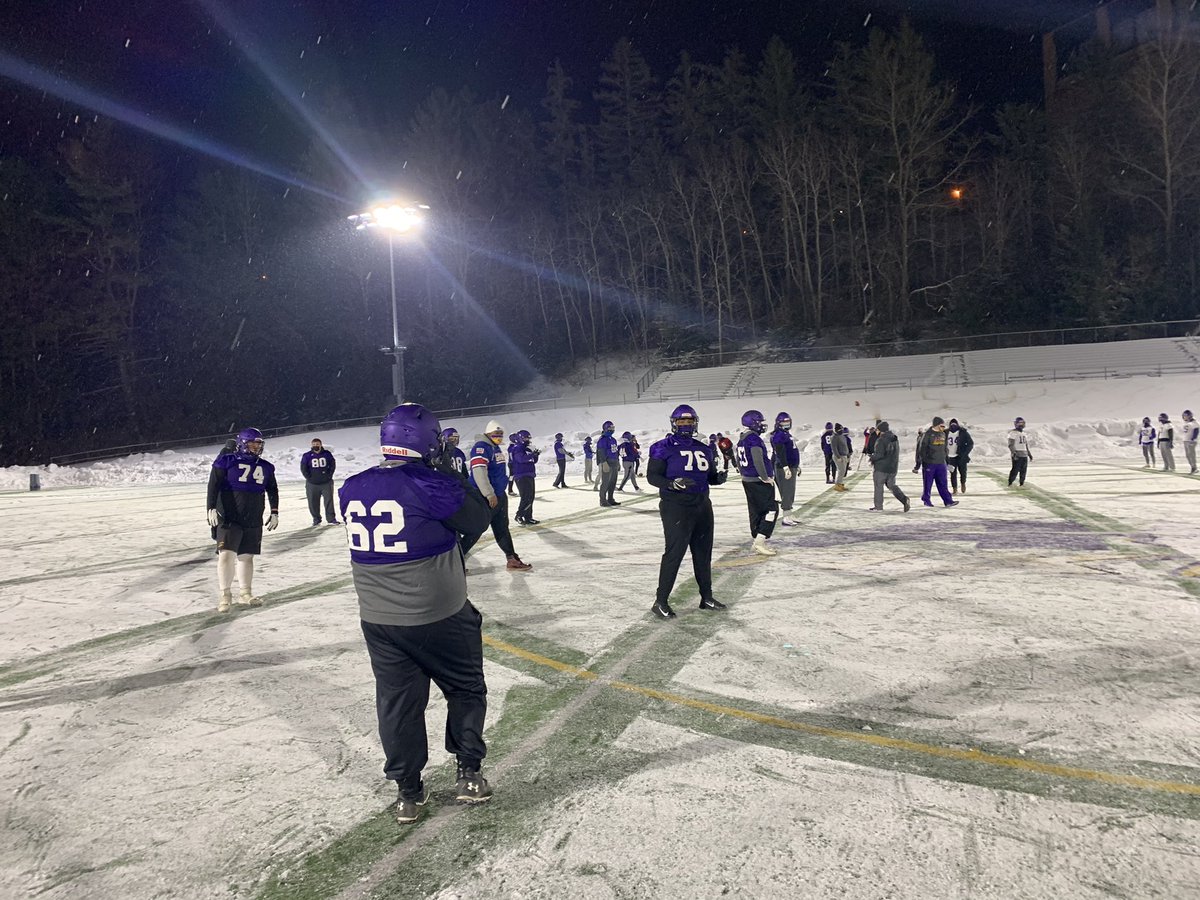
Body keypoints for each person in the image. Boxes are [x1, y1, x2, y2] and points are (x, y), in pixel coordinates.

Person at [339, 403, 494, 824]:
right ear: (427, 441)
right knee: (465, 688)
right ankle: (468, 772)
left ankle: (408, 791)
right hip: (437, 613)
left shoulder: (351, 485)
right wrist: (451, 473)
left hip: (378, 618)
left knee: (397, 704)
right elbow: (478, 515)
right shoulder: (430, 483)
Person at [646, 404, 729, 618]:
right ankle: (661, 601)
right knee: (675, 553)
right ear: (674, 423)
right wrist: (673, 484)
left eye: (689, 421)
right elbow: (652, 477)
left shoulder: (703, 448)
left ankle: (707, 597)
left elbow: (709, 476)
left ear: (695, 423)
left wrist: (717, 479)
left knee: (703, 553)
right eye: (681, 421)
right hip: (676, 506)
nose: (685, 425)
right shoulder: (661, 447)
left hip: (702, 504)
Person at [205, 427, 280, 612]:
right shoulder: (226, 461)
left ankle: (245, 593)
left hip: (253, 516)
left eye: (259, 443)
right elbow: (213, 485)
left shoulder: (266, 466)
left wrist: (275, 511)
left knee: (246, 557)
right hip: (229, 516)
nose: (256, 447)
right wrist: (211, 507)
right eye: (253, 443)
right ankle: (225, 594)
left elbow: (272, 488)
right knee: (226, 555)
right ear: (242, 443)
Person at [462, 420, 533, 571]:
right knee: (476, 529)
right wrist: (489, 494)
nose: (498, 437)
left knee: (502, 528)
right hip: (484, 497)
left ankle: (511, 558)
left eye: (500, 434)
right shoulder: (481, 447)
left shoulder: (494, 448)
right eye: (495, 434)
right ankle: (455, 562)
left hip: (498, 494)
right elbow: (479, 471)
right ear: (488, 434)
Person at [736, 410, 780, 556]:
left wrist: (744, 473)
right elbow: (757, 459)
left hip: (748, 480)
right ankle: (760, 541)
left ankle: (757, 538)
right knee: (771, 509)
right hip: (757, 480)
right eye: (759, 422)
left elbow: (738, 459)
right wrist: (764, 476)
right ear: (753, 423)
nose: (762, 425)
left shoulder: (742, 439)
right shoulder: (753, 439)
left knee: (755, 511)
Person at [867, 421, 910, 512]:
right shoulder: (894, 438)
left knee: (879, 486)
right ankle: (904, 499)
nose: (876, 432)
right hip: (892, 467)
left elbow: (879, 454)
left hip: (881, 468)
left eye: (877, 430)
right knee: (891, 485)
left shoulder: (881, 440)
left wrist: (872, 458)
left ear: (880, 430)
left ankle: (878, 506)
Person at [916, 417, 957, 507]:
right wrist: (924, 461)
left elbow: (945, 449)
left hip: (941, 463)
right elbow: (922, 449)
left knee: (943, 483)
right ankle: (926, 499)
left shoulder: (942, 434)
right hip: (930, 464)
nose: (943, 428)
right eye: (942, 426)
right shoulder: (927, 435)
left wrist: (947, 461)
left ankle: (948, 501)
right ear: (937, 425)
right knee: (928, 483)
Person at [300, 437, 339, 526]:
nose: (315, 446)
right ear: (311, 445)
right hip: (312, 483)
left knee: (329, 501)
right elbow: (303, 468)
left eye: (317, 444)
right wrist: (309, 478)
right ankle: (316, 519)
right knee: (313, 502)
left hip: (326, 482)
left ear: (321, 445)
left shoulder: (327, 454)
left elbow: (332, 464)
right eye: (314, 445)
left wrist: (329, 476)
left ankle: (331, 519)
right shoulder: (307, 455)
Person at [770, 412, 799, 526]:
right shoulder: (779, 435)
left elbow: (791, 451)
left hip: (790, 466)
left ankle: (789, 513)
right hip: (784, 467)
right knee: (786, 491)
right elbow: (780, 453)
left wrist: (796, 465)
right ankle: (786, 516)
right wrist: (785, 466)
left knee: (790, 491)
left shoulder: (786, 433)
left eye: (788, 422)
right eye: (784, 422)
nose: (787, 424)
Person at [511, 430, 541, 525]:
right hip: (521, 475)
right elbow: (521, 459)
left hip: (529, 474)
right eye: (525, 438)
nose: (527, 439)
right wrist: (532, 455)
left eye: (528, 437)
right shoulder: (517, 448)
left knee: (530, 497)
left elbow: (532, 461)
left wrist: (536, 455)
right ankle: (519, 515)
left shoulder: (527, 448)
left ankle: (528, 517)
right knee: (526, 497)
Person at [946, 418, 974, 494]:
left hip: (961, 456)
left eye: (955, 424)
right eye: (952, 424)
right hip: (950, 457)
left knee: (963, 472)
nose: (953, 426)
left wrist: (965, 453)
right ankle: (954, 488)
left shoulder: (963, 432)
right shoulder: (945, 432)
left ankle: (963, 483)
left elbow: (970, 443)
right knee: (952, 474)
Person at [596, 421, 620, 507]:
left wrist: (618, 462)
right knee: (605, 482)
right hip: (607, 462)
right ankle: (602, 500)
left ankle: (610, 498)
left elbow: (616, 452)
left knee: (613, 482)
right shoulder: (602, 440)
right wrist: (604, 462)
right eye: (610, 428)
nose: (612, 430)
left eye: (613, 428)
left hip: (614, 461)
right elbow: (601, 452)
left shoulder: (613, 439)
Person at [1008, 416, 1032, 487]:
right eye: (1020, 423)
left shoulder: (1024, 434)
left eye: (1022, 423)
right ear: (1016, 424)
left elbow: (1026, 445)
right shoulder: (1013, 433)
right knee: (1015, 470)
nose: (1021, 425)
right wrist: (1014, 453)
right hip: (1017, 454)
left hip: (1024, 454)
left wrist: (1029, 454)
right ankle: (1010, 482)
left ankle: (1022, 483)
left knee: (1023, 471)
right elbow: (1010, 444)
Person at [830, 423, 852, 491]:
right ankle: (837, 484)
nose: (841, 431)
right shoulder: (834, 437)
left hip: (844, 455)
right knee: (841, 470)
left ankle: (840, 483)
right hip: (839, 456)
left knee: (843, 471)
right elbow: (834, 448)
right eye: (840, 429)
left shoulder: (842, 436)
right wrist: (838, 456)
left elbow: (845, 446)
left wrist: (847, 454)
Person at [1182, 409, 1198, 474]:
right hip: (1186, 440)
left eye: (1185, 415)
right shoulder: (1186, 423)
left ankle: (1194, 468)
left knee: (1191, 455)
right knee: (1188, 455)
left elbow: (1196, 431)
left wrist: (1193, 439)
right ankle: (1193, 467)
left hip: (1191, 441)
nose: (1184, 417)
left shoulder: (1194, 423)